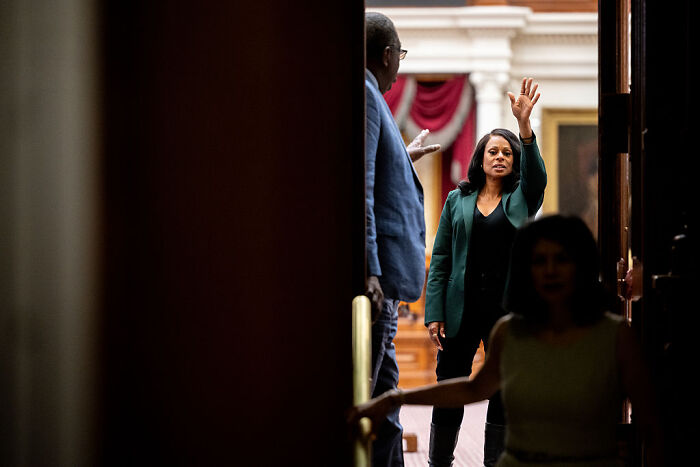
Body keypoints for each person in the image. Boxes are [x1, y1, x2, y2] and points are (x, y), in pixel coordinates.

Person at [350, 215, 663, 467]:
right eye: (539, 261)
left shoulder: (614, 335)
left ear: (580, 266)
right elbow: (474, 388)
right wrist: (395, 398)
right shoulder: (510, 331)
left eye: (561, 259)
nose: (550, 270)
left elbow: (650, 422)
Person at [423, 77, 546, 466]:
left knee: (503, 389)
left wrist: (524, 129)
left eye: (507, 154)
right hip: (460, 309)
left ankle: (495, 462)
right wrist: (434, 313)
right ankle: (438, 461)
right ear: (481, 157)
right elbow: (441, 258)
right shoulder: (458, 199)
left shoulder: (521, 197)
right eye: (493, 151)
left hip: (506, 310)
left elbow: (537, 180)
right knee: (451, 387)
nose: (500, 157)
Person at [364, 12, 441, 467]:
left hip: (387, 286)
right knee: (369, 401)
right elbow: (363, 188)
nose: (399, 68)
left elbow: (378, 172)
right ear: (389, 54)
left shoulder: (372, 96)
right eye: (400, 57)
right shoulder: (367, 95)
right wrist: (371, 268)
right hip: (380, 283)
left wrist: (404, 155)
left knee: (387, 403)